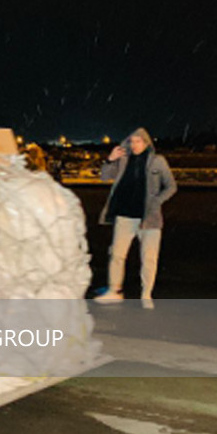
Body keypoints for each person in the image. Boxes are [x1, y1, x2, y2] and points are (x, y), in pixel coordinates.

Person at [94, 128, 177, 308]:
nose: (134, 145)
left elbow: (171, 186)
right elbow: (104, 177)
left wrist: (157, 201)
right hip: (125, 216)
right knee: (117, 254)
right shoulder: (123, 160)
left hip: (150, 219)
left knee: (149, 258)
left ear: (146, 143)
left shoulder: (157, 161)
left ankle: (146, 293)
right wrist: (110, 159)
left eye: (138, 141)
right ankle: (114, 291)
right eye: (131, 141)